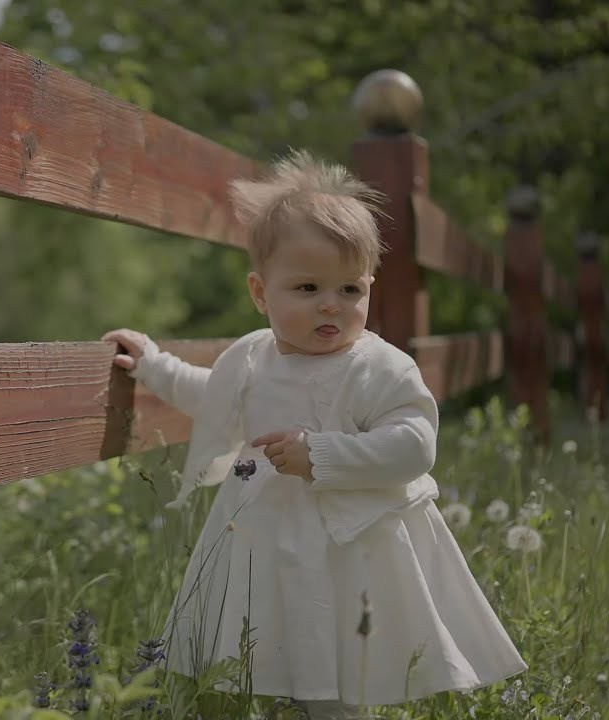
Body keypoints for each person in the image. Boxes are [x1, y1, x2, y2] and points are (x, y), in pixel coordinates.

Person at [102, 149, 526, 719]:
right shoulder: (252, 360)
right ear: (261, 293)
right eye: (307, 289)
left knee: (341, 663)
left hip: (351, 542)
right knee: (265, 650)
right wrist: (153, 364)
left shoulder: (380, 367)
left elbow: (415, 444)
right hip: (268, 536)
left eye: (350, 290)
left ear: (369, 288)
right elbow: (212, 396)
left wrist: (321, 454)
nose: (332, 305)